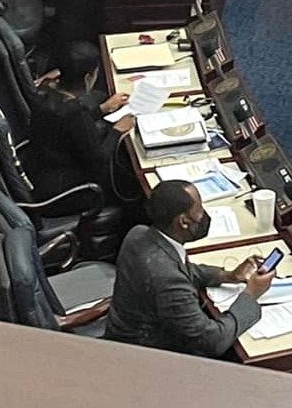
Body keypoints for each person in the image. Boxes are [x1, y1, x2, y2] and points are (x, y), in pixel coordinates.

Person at [105, 179, 269, 354]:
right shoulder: (168, 279)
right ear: (184, 222)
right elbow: (212, 342)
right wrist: (251, 294)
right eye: (200, 211)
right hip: (144, 355)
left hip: (120, 336)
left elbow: (180, 268)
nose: (204, 215)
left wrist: (228, 276)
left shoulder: (138, 234)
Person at [26, 42, 131, 203]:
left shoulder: (43, 91)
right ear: (88, 78)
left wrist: (102, 108)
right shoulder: (76, 114)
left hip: (41, 170)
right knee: (125, 171)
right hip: (65, 191)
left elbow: (64, 126)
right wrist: (117, 131)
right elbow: (98, 162)